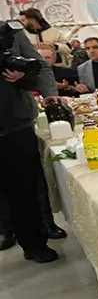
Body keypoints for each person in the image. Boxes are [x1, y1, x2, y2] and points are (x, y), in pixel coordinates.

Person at [0, 20, 58, 262]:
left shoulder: (8, 32)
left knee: (25, 190)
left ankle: (34, 242)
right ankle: (5, 229)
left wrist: (48, 92)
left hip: (16, 123)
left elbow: (39, 66)